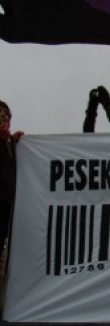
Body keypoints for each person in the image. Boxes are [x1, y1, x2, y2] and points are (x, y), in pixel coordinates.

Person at [0, 101, 23, 271]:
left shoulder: (9, 143)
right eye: (0, 113)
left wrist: (14, 144)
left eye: (6, 114)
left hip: (8, 205)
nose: (4, 116)